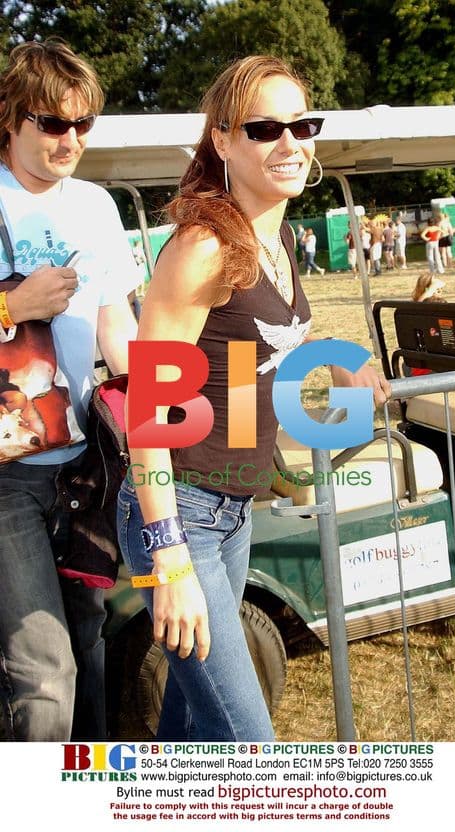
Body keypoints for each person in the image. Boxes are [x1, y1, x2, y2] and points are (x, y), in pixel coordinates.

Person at [117, 54, 391, 741]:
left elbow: (259, 338)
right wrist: (169, 558)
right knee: (249, 744)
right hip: (176, 516)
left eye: (303, 124)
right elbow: (145, 411)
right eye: (265, 128)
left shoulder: (278, 236)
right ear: (222, 140)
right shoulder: (202, 247)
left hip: (233, 510)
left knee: (190, 726)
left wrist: (338, 354)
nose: (290, 142)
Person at [0, 39, 139, 741]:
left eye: (84, 123)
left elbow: (118, 323)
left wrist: (159, 413)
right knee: (44, 674)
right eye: (53, 122)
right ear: (10, 116)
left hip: (85, 467)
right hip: (5, 475)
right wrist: (11, 307)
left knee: (87, 638)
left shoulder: (95, 205)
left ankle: (83, 789)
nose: (71, 139)